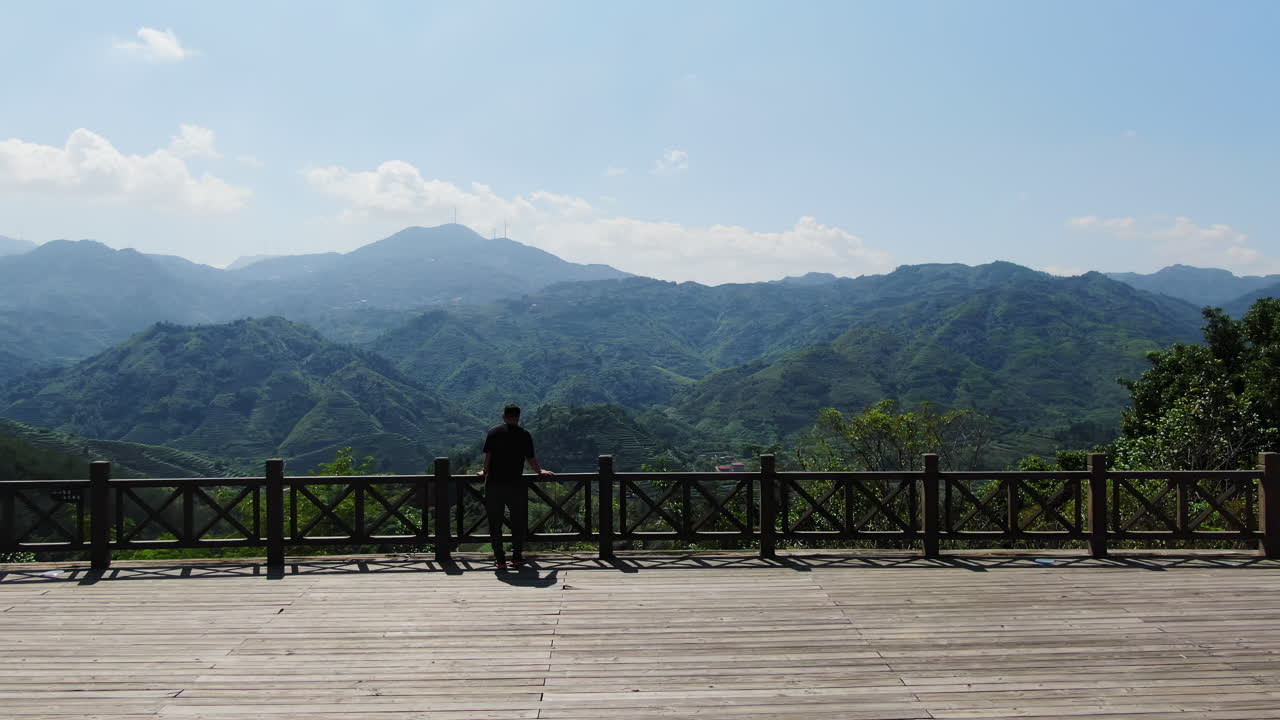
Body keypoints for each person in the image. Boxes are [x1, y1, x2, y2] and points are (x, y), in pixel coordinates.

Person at [480, 403, 553, 569]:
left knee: (495, 523)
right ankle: (517, 556)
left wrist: (484, 472)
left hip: (494, 484)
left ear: (503, 416)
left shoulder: (493, 433)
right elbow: (531, 458)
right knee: (518, 522)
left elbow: (488, 458)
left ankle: (499, 559)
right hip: (515, 484)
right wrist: (540, 471)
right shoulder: (524, 435)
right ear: (518, 417)